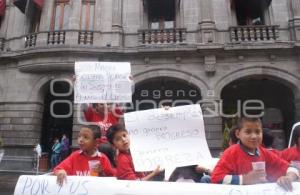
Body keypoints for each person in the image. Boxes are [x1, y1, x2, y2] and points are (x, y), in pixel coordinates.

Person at [211, 117, 299, 192]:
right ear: (238, 134)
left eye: (257, 132)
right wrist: (245, 179)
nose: (254, 136)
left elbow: (291, 168)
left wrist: (288, 178)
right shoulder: (230, 153)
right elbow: (216, 178)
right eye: (248, 132)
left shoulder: (264, 153)